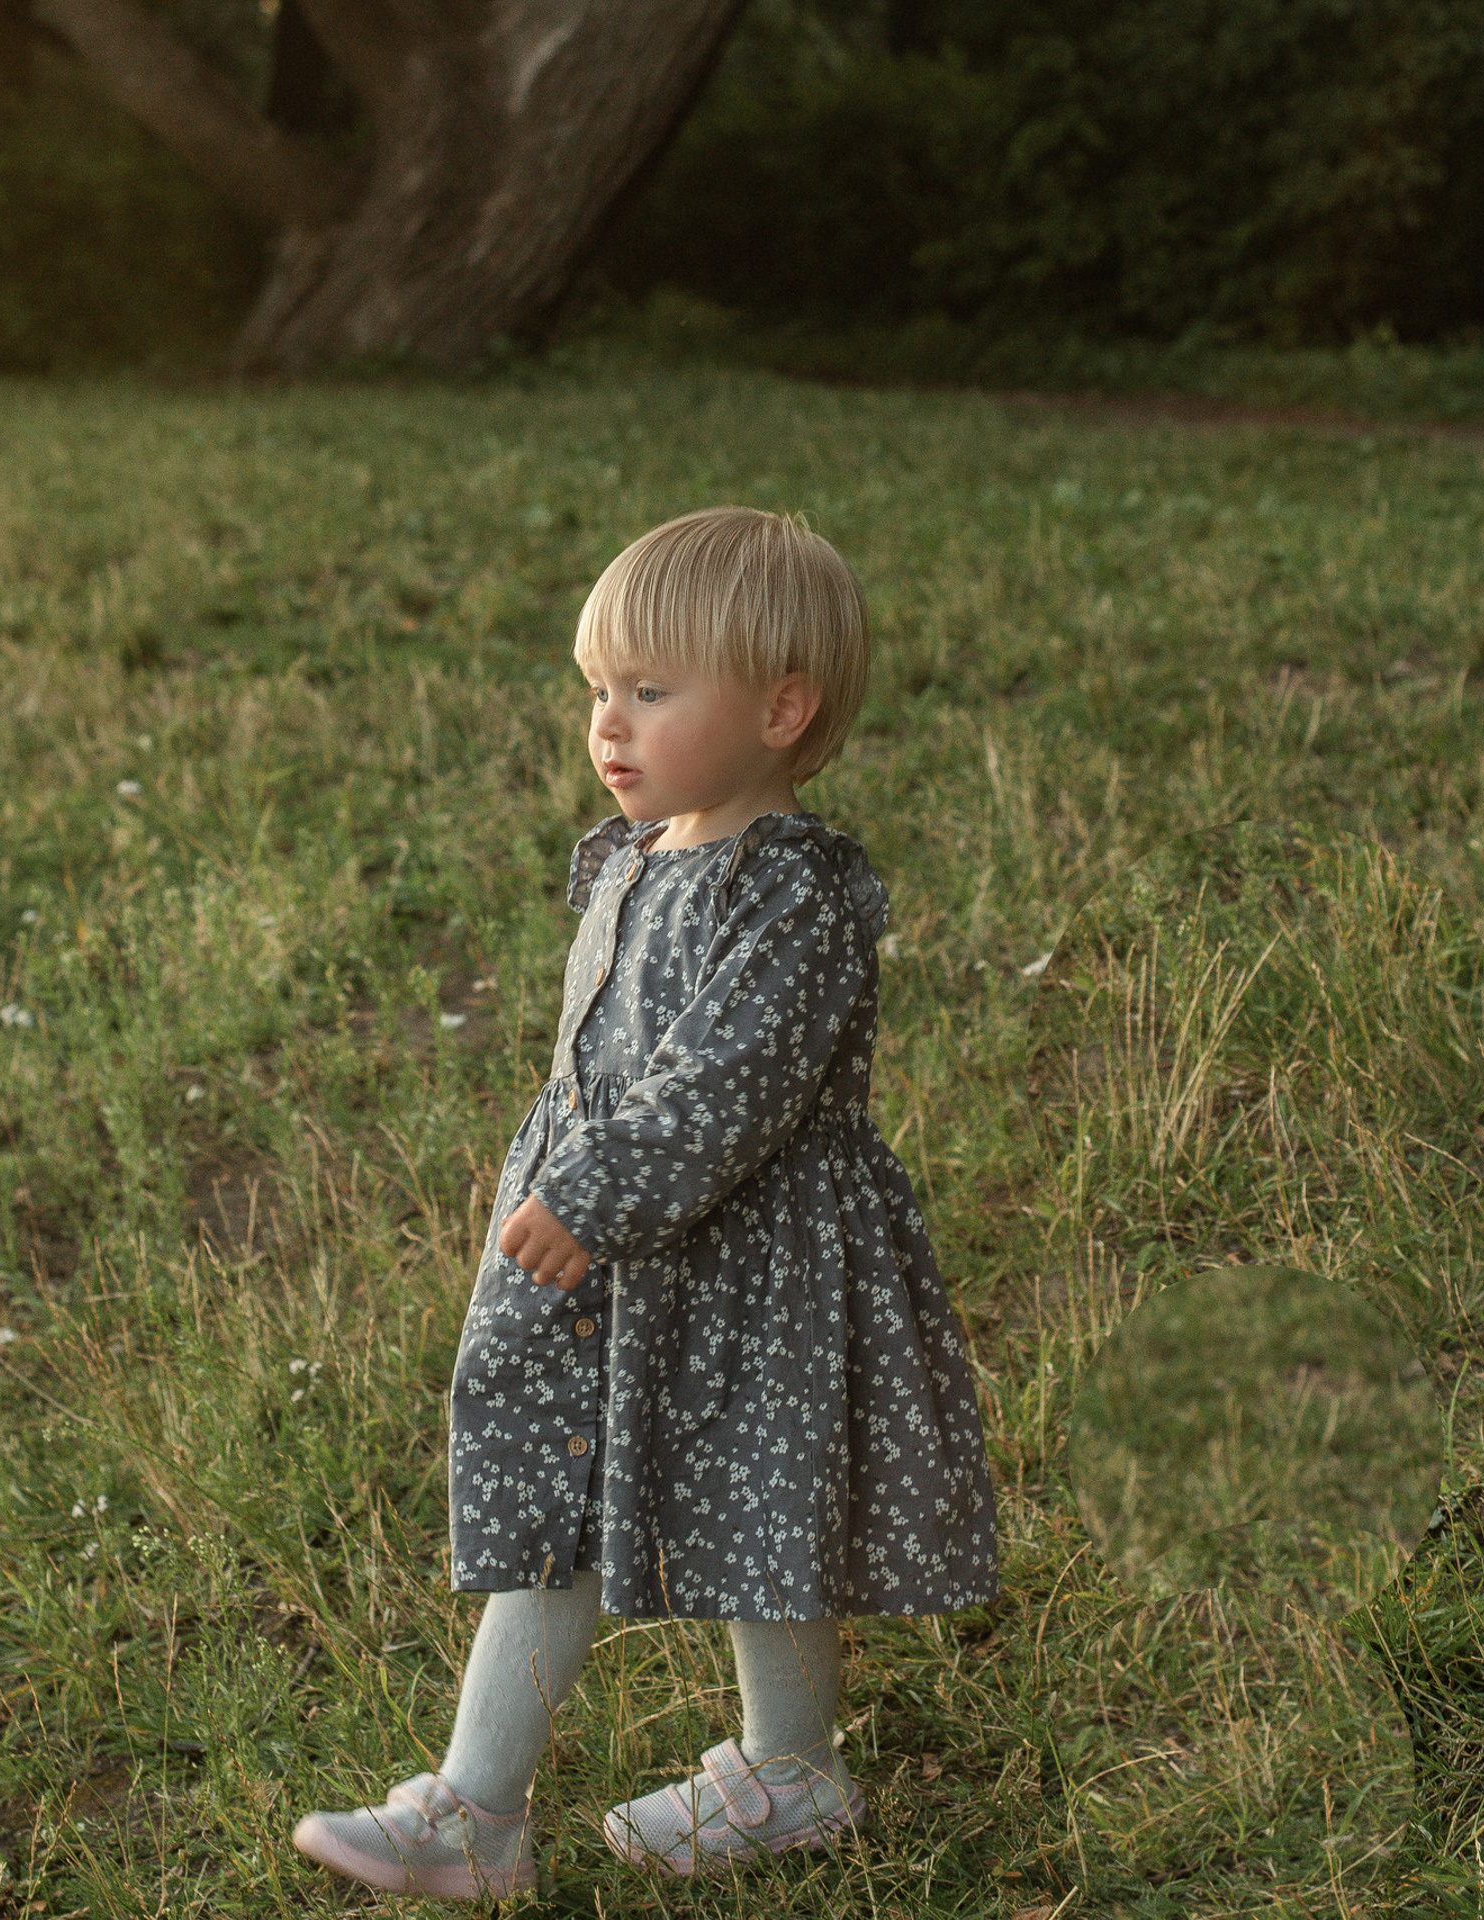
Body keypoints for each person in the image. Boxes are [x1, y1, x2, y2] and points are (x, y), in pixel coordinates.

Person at [291, 507, 999, 1898]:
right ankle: (489, 1809)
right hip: (624, 1259)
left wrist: (594, 1194)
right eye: (597, 692)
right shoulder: (634, 858)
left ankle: (776, 1774)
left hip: (750, 1264)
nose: (606, 726)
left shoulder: (794, 895)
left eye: (650, 693)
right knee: (570, 1500)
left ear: (782, 708)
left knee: (766, 1502)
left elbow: (721, 1085)